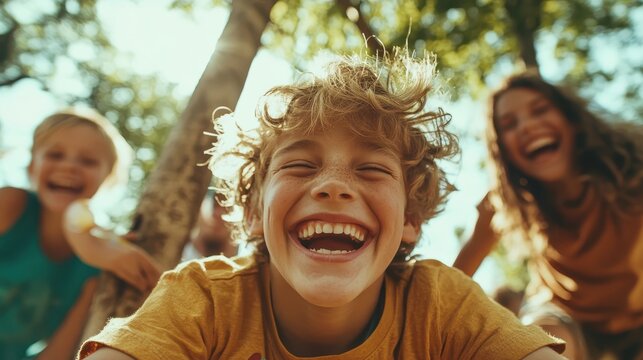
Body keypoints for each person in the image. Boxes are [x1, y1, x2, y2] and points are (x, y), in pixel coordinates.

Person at [79, 51, 565, 359]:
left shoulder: (438, 303)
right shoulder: (205, 299)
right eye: (299, 167)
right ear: (252, 211)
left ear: (411, 219)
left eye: (372, 170)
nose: (334, 187)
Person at [453, 72, 643, 359]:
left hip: (637, 320)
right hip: (565, 318)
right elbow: (453, 281)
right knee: (540, 339)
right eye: (509, 124)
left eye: (540, 110)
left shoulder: (632, 169)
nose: (528, 126)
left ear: (572, 121)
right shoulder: (505, 204)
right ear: (503, 151)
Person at [0, 109, 160, 360]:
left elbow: (60, 352)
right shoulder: (10, 205)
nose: (69, 166)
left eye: (88, 161)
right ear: (32, 167)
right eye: (55, 154)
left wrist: (88, 244)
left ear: (107, 178)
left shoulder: (101, 261)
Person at [181, 189, 237, 260]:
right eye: (215, 204)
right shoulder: (174, 252)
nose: (218, 214)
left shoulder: (246, 260)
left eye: (227, 208)